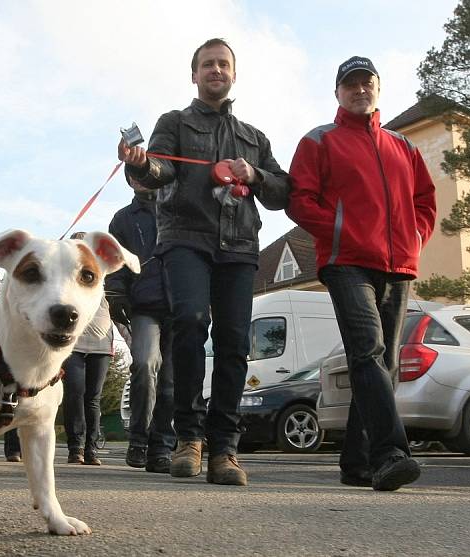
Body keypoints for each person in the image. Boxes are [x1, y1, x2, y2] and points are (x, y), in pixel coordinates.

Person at [117, 38, 290, 485]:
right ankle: (189, 439)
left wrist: (255, 174)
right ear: (193, 75)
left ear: (234, 74)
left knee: (234, 343)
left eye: (223, 64)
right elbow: (159, 170)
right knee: (191, 323)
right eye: (208, 64)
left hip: (240, 245)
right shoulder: (173, 122)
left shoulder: (255, 137)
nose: (216, 70)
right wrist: (139, 165)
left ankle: (225, 450)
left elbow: (282, 193)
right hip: (185, 239)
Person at [287, 56, 436, 491]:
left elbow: (425, 200)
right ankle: (390, 454)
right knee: (369, 351)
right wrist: (339, 231)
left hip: (398, 265)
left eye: (366, 83)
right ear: (337, 92)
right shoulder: (320, 140)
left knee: (384, 362)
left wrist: (414, 237)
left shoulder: (403, 147)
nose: (359, 90)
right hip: (346, 262)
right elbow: (299, 199)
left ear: (377, 89)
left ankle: (356, 463)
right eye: (350, 85)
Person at [106, 170, 175, 474]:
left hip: (181, 304)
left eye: (145, 173)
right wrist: (116, 293)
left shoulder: (178, 209)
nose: (140, 180)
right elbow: (115, 263)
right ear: (129, 182)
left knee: (172, 380)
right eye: (134, 176)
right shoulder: (122, 220)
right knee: (145, 365)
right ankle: (138, 439)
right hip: (144, 304)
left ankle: (162, 445)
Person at [62, 233, 113, 466]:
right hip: (73, 343)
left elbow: (118, 311)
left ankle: (91, 449)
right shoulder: (63, 279)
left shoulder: (102, 272)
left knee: (93, 397)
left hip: (101, 347)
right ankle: (76, 447)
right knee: (74, 392)